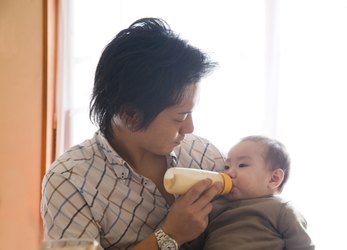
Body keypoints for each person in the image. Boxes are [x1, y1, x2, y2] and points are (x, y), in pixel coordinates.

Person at [40, 17, 226, 250]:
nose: (189, 129)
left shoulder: (205, 156)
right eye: (180, 117)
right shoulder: (71, 180)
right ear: (130, 115)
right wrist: (170, 235)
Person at [184, 135, 315, 250]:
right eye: (227, 167)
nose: (228, 173)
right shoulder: (214, 207)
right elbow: (193, 244)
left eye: (242, 165)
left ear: (274, 178)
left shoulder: (282, 209)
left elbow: (302, 246)